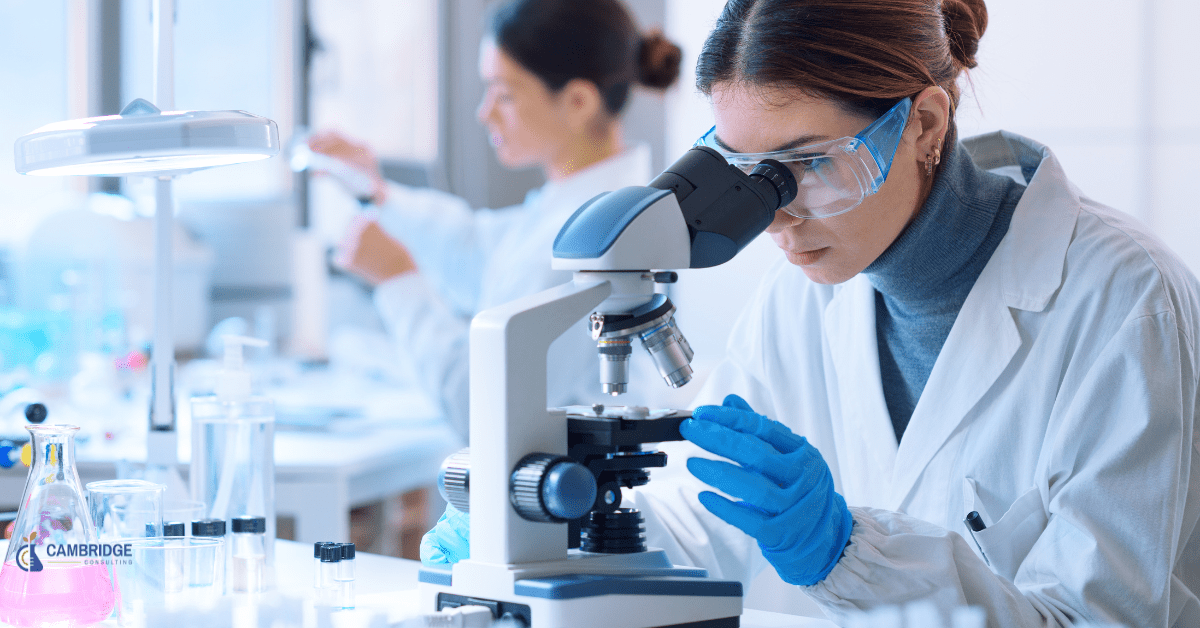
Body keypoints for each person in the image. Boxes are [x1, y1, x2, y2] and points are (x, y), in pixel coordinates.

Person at [421, 0, 1200, 625]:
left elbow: (1104, 617)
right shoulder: (804, 291)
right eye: (750, 175)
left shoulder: (1125, 301)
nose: (776, 215)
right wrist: (550, 537)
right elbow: (714, 517)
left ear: (924, 124)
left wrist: (846, 551)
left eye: (811, 165)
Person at [308, 0, 682, 439]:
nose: (485, 112)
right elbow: (477, 248)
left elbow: (486, 411)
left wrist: (398, 283)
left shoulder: (596, 241)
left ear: (578, 101)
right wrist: (376, 193)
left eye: (504, 93)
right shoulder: (578, 209)